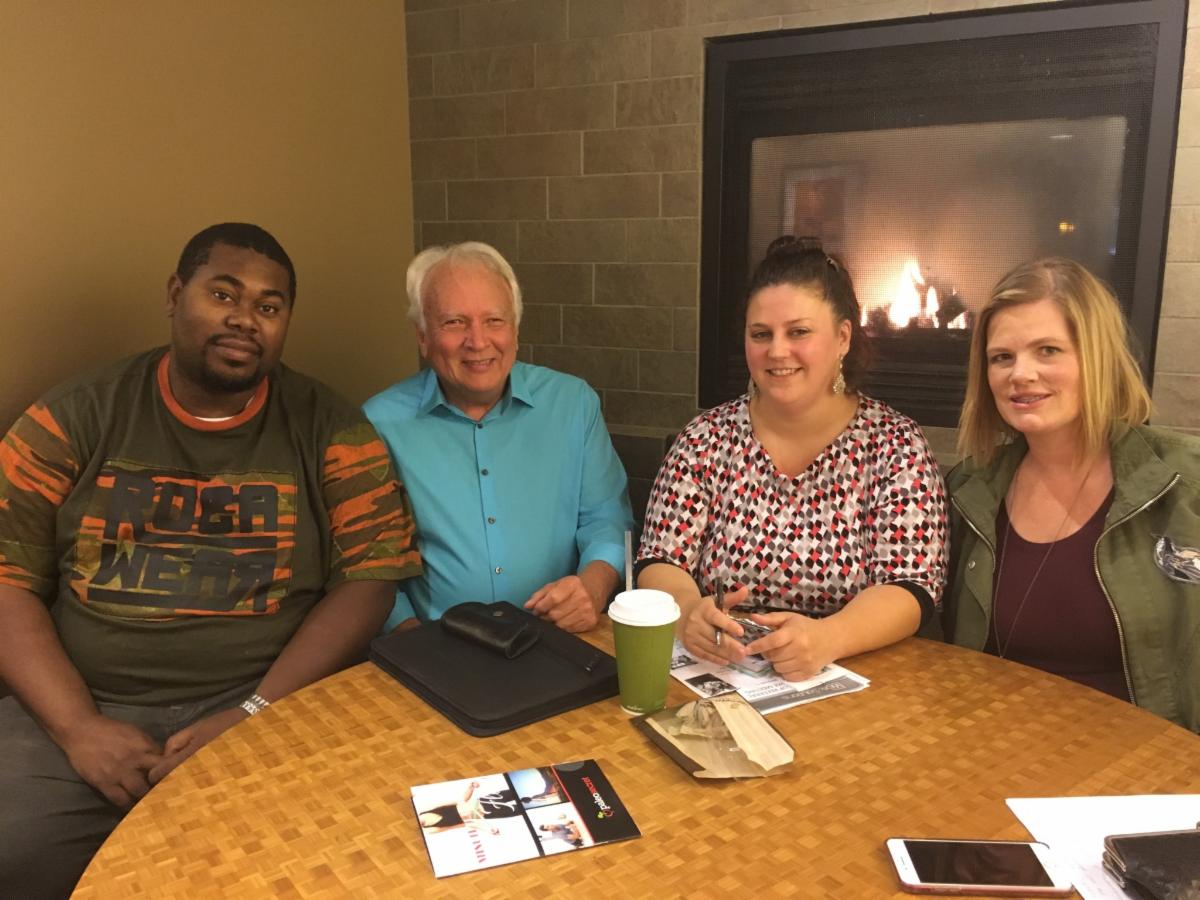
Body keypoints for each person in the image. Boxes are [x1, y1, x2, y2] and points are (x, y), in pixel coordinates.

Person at [0, 223, 423, 897]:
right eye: (223, 294)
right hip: (83, 704)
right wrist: (79, 728)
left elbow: (370, 580)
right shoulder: (72, 417)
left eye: (268, 305)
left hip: (266, 702)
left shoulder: (331, 426)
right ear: (175, 295)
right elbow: (7, 579)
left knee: (328, 860)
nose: (244, 318)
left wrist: (255, 709)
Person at [636, 236, 947, 681]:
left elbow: (912, 585)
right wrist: (688, 614)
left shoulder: (895, 446)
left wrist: (829, 637)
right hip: (722, 673)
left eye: (798, 332)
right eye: (761, 334)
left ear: (842, 337)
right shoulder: (705, 439)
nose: (777, 351)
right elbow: (660, 558)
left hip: (858, 676)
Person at [944, 257, 1199, 731]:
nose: (1020, 374)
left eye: (1047, 350)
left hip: (1151, 758)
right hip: (991, 747)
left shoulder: (1187, 483)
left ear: (1096, 357)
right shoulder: (967, 491)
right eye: (1002, 357)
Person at [364, 242, 633, 634]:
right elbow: (370, 562)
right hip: (435, 646)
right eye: (454, 322)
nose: (478, 341)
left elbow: (606, 519)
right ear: (422, 336)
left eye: (494, 320)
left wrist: (592, 589)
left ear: (516, 330)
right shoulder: (378, 425)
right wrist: (415, 645)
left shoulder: (573, 403)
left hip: (557, 638)